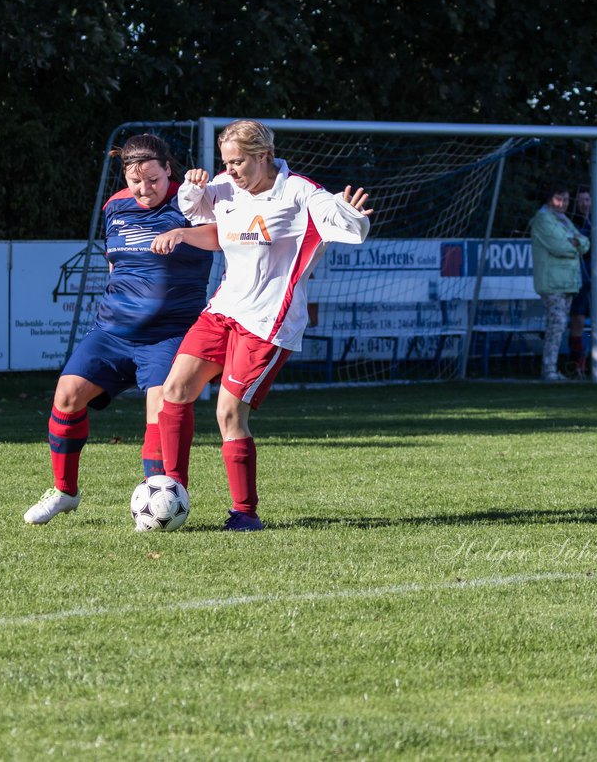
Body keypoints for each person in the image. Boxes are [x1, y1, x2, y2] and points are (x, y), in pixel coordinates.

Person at [156, 119, 373, 531]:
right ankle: (172, 492)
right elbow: (212, 226)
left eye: (238, 162)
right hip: (224, 308)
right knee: (175, 389)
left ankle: (245, 513)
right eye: (226, 162)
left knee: (228, 413)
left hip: (269, 322)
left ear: (264, 156)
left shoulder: (300, 193)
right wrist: (186, 226)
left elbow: (352, 227)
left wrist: (352, 214)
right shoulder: (225, 186)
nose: (231, 170)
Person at [24, 134, 219, 525]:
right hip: (112, 331)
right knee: (67, 395)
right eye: (136, 181)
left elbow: (220, 238)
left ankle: (163, 498)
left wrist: (185, 226)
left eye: (153, 179)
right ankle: (65, 492)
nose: (145, 189)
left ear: (169, 169)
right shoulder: (116, 206)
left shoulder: (192, 200)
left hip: (169, 334)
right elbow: (116, 263)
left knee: (159, 409)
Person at [529, 186, 590, 382]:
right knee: (556, 325)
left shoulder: (563, 219)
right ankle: (548, 370)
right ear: (549, 200)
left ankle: (551, 368)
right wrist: (574, 244)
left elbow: (585, 242)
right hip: (552, 282)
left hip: (567, 282)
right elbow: (559, 247)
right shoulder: (543, 219)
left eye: (565, 200)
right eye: (558, 199)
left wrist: (575, 243)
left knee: (559, 326)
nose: (562, 203)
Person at [567, 187, 597, 377]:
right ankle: (576, 363)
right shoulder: (570, 222)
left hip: (596, 275)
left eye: (587, 200)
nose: (584, 204)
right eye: (580, 200)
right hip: (578, 276)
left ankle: (596, 362)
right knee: (578, 320)